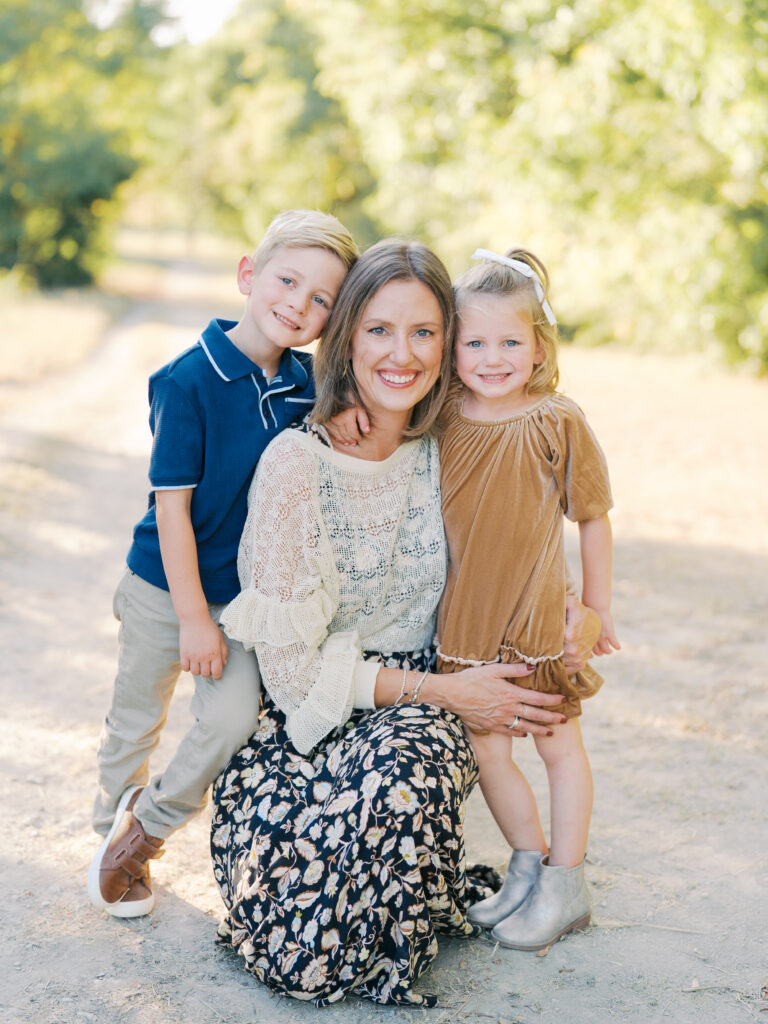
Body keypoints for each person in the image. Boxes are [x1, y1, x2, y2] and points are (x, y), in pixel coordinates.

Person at [210, 239, 582, 1007]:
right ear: (345, 335)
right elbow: (292, 678)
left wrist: (568, 608)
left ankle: (520, 881)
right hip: (305, 724)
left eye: (424, 332)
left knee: (406, 770)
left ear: (450, 344)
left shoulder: (452, 444)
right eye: (378, 330)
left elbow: (526, 528)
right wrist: (452, 694)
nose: (401, 354)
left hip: (418, 716)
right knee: (303, 936)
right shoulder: (295, 465)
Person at [88, 210, 360, 918]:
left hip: (239, 602)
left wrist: (343, 418)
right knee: (136, 719)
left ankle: (144, 830)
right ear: (248, 274)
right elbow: (171, 512)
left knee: (232, 717)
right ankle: (108, 830)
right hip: (163, 588)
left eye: (320, 298)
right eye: (287, 281)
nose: (297, 304)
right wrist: (190, 619)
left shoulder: (308, 386)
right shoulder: (188, 381)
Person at [435, 246, 620, 951]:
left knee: (556, 745)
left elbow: (593, 516)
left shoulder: (556, 420)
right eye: (475, 343)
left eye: (511, 342)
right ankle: (528, 865)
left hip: (538, 618)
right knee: (488, 750)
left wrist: (596, 605)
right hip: (465, 622)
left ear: (540, 346)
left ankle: (566, 884)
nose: (493, 358)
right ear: (453, 348)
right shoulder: (443, 415)